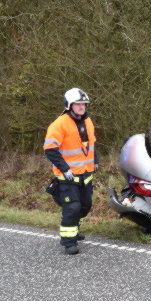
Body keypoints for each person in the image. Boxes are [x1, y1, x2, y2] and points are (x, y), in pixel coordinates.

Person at [43, 88, 97, 255]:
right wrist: (65, 169)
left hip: (86, 174)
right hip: (68, 176)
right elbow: (50, 149)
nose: (82, 107)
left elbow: (92, 144)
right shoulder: (59, 124)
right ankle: (68, 241)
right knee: (72, 207)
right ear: (69, 105)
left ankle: (73, 229)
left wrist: (96, 162)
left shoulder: (88, 121)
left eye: (84, 104)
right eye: (78, 104)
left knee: (85, 206)